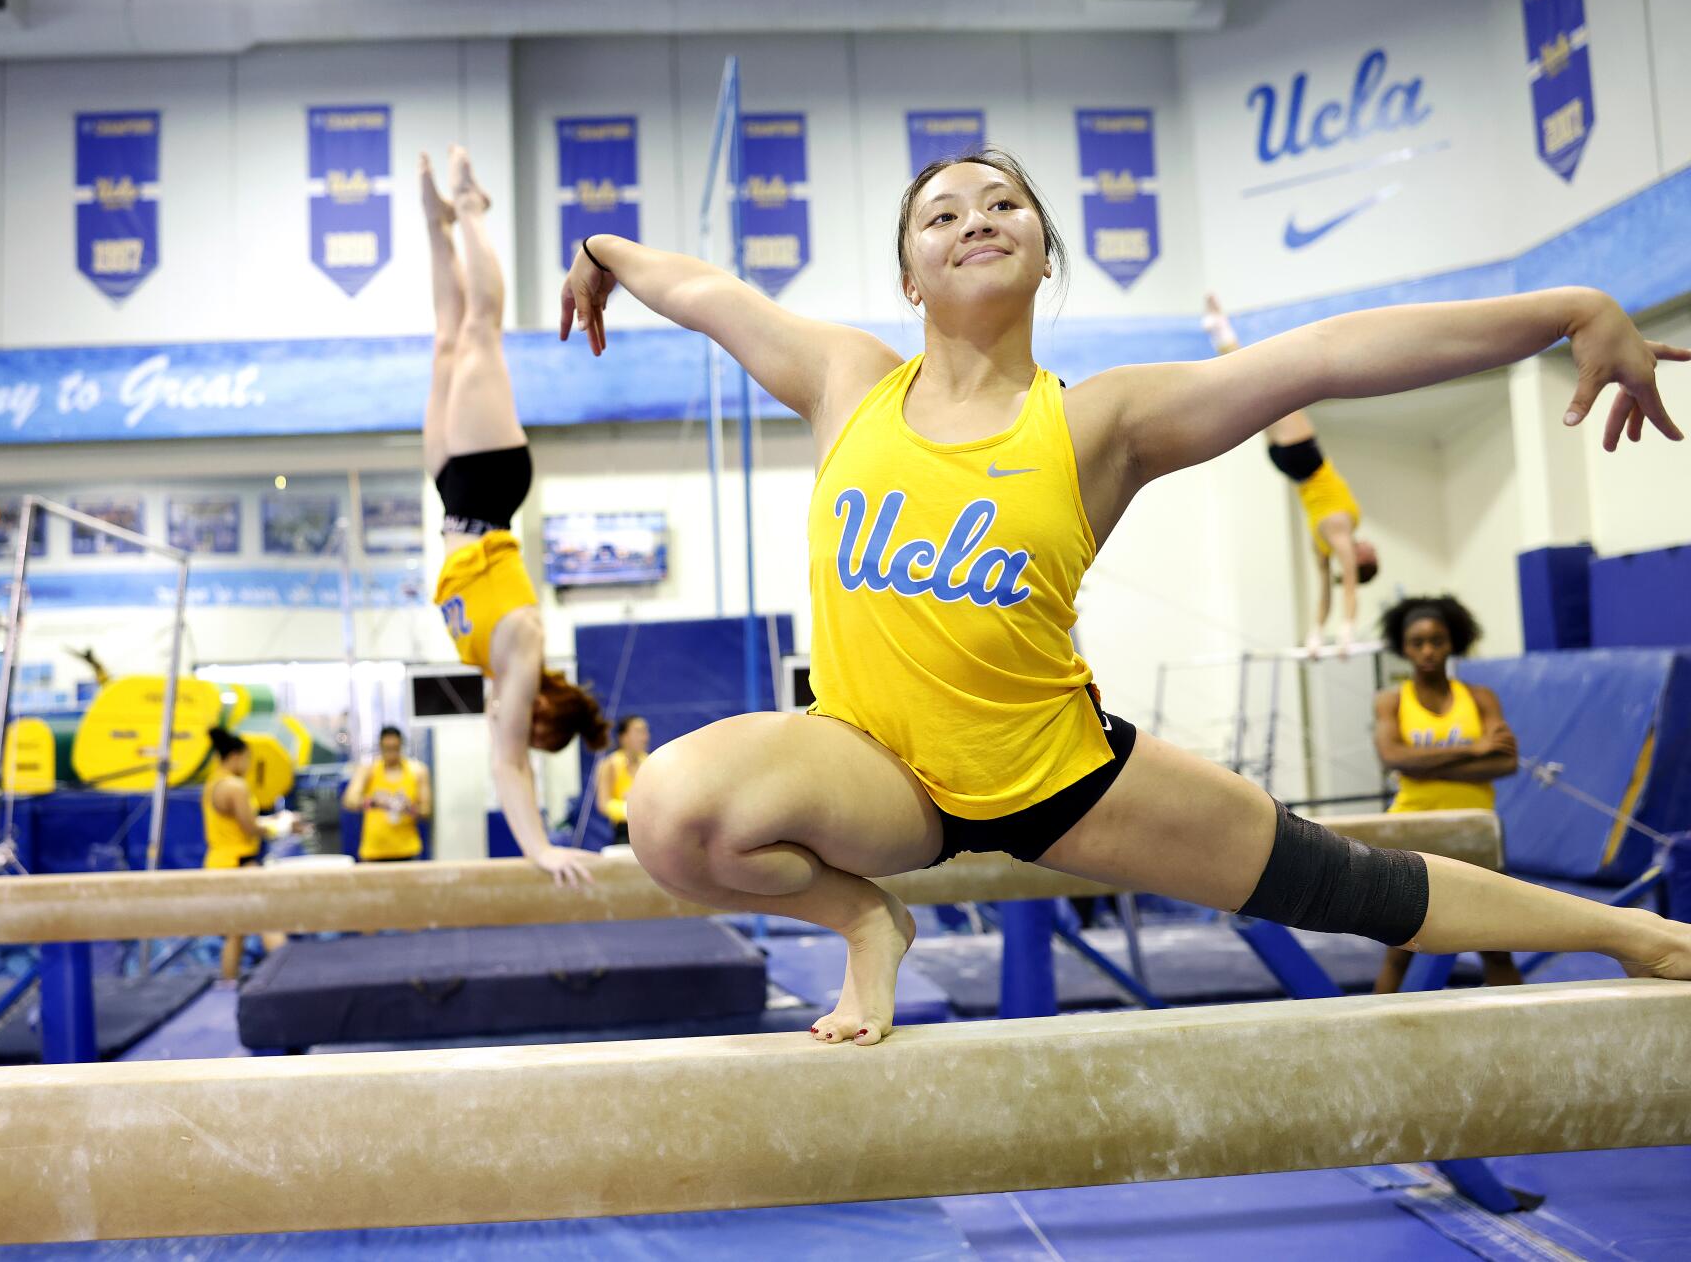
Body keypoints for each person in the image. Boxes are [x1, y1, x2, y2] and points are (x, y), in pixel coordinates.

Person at [560, 146, 1691, 1046]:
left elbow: (1327, 355)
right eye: (940, 213)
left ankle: (1632, 933)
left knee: (1349, 884)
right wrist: (601, 248)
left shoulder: (1099, 421)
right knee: (670, 808)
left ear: (1045, 254)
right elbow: (707, 292)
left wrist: (1568, 307)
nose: (976, 219)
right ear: (907, 276)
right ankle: (868, 915)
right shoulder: (846, 381)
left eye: (1003, 202)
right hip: (872, 765)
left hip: (1063, 775)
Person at [422, 145, 611, 885]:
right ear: (546, 711)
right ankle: (472, 210)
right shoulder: (524, 649)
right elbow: (507, 766)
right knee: (480, 331)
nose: (516, 730)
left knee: (445, 340)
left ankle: (438, 228)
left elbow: (506, 748)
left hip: (453, 496)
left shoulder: (496, 669)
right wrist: (539, 849)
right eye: (536, 732)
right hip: (491, 484)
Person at [1204, 293, 1379, 654]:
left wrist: (1346, 631)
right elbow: (1325, 593)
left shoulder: (1338, 532)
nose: (1370, 547)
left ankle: (1221, 329)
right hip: (1290, 463)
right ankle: (1219, 332)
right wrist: (1315, 635)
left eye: (1370, 555)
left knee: (1264, 382)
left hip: (1306, 459)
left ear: (1362, 560)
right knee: (1251, 391)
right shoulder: (1324, 546)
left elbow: (1346, 587)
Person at [1372, 595, 1524, 990]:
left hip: (1473, 834)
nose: (1427, 651)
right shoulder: (1391, 701)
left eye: (1436, 641)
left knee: (1497, 945)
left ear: (1452, 642)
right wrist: (1471, 749)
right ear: (1403, 647)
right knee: (1400, 948)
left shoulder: (1479, 698)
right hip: (1411, 832)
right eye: (1417, 642)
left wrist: (1422, 761)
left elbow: (1505, 763)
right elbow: (1393, 756)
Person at [203, 726, 286, 982]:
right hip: (237, 865)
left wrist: (274, 820)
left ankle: (228, 985)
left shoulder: (213, 782)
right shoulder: (235, 786)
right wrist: (280, 826)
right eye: (249, 759)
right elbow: (249, 827)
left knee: (236, 932)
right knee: (269, 921)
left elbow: (243, 821)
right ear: (237, 756)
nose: (250, 765)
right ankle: (290, 980)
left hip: (221, 863)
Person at [344, 726, 432, 862]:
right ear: (381, 747)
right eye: (387, 749)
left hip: (407, 850)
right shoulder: (368, 770)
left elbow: (426, 811)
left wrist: (409, 808)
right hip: (374, 851)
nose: (391, 754)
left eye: (395, 749)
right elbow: (349, 801)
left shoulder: (417, 771)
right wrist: (375, 802)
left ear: (401, 746)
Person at [592, 715, 650, 845]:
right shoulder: (609, 765)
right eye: (638, 731)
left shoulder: (649, 762)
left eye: (645, 731)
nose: (644, 737)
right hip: (624, 831)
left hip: (649, 828)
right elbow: (603, 804)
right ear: (623, 737)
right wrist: (628, 809)